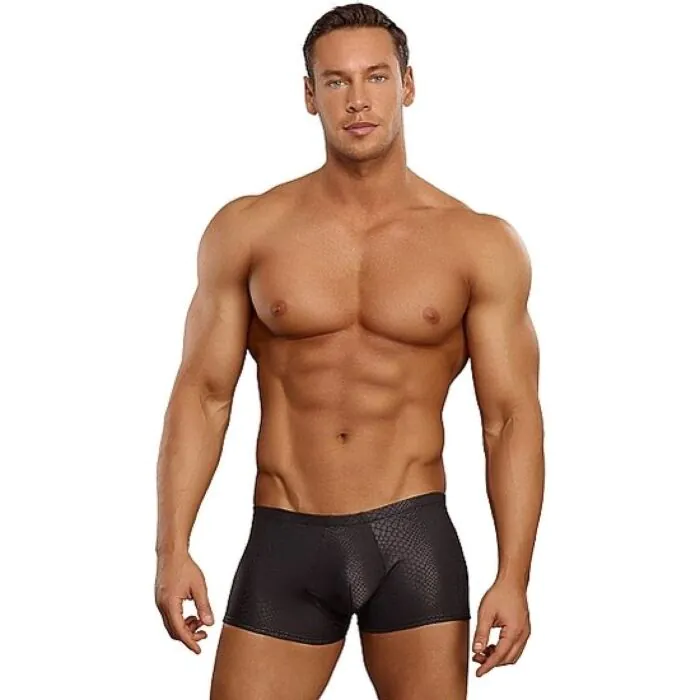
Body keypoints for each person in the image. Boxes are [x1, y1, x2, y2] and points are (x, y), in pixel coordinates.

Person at [154, 3, 544, 698]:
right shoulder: (249, 230)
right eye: (335, 82)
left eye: (376, 77)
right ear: (310, 95)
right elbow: (204, 395)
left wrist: (514, 576)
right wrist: (172, 546)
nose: (357, 100)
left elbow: (509, 418)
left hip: (411, 538)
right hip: (285, 534)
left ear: (408, 85)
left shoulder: (477, 243)